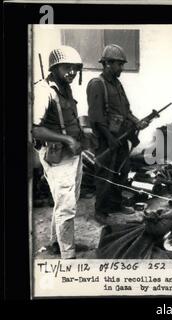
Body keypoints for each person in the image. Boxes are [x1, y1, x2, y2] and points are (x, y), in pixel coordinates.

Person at [32, 45, 85, 259]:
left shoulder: (65, 86)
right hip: (57, 156)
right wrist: (67, 138)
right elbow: (34, 128)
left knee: (66, 201)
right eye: (67, 67)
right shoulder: (44, 90)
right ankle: (68, 256)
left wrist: (80, 136)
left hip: (73, 153)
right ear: (54, 68)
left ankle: (57, 243)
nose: (72, 72)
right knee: (67, 206)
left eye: (75, 68)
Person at [87, 44, 148, 223]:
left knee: (121, 172)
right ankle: (100, 211)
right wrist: (110, 138)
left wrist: (138, 122)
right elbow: (96, 117)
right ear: (107, 64)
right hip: (107, 140)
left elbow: (126, 110)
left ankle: (115, 204)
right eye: (119, 64)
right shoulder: (97, 84)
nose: (122, 68)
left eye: (122, 64)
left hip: (120, 138)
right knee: (105, 175)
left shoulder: (117, 84)